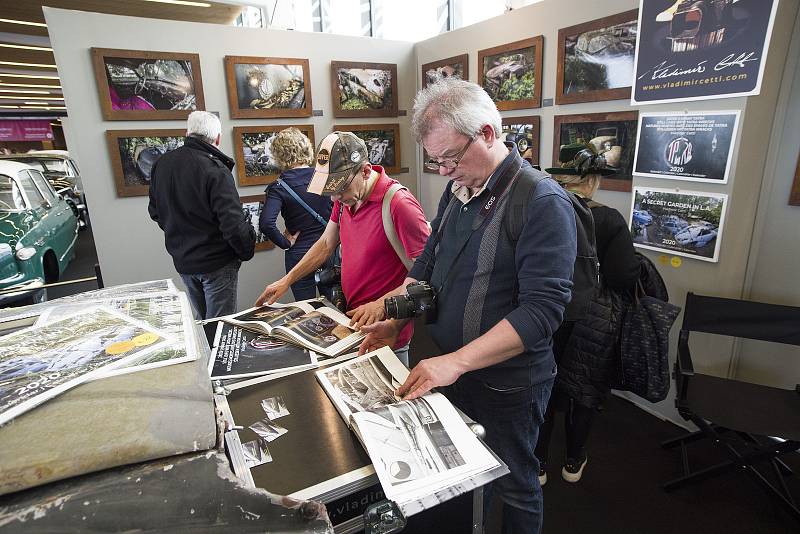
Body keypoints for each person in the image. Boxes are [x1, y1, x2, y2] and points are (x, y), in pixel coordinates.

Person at [358, 78, 577, 534]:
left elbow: (543, 311)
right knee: (468, 480)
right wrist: (394, 315)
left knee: (517, 484)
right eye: (436, 161)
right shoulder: (459, 188)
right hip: (452, 367)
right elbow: (430, 261)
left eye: (451, 158)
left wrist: (455, 362)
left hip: (507, 383)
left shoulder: (541, 200)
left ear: (488, 134)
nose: (443, 171)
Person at [255, 131, 430, 367]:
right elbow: (326, 243)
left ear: (366, 171)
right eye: (331, 190)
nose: (335, 197)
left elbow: (428, 272)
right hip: (351, 323)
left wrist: (382, 304)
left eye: (340, 188)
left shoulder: (400, 205)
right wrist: (287, 280)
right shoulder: (345, 200)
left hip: (387, 331)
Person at [534, 143, 640, 484]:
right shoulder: (607, 219)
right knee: (584, 388)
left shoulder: (541, 209)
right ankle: (573, 461)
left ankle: (538, 465)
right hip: (590, 320)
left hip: (545, 314)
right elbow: (624, 275)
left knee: (543, 387)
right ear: (592, 180)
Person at [148, 111, 255, 320]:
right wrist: (246, 251)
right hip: (217, 263)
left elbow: (155, 212)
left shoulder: (162, 164)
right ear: (218, 138)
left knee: (203, 321)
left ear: (188, 133)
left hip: (184, 261)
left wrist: (181, 233)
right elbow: (233, 223)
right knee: (220, 327)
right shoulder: (215, 169)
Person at [259, 127, 333, 301]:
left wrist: (285, 243)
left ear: (278, 155)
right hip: (330, 248)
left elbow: (266, 223)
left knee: (306, 310)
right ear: (306, 148)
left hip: (300, 254)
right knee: (336, 306)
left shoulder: (278, 187)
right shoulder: (325, 178)